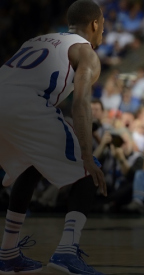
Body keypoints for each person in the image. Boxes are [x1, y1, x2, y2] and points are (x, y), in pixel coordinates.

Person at [0, 0, 107, 274]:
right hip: (24, 105)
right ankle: (66, 255)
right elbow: (81, 103)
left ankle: (8, 252)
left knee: (29, 165)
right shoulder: (85, 51)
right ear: (95, 24)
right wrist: (86, 154)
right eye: (103, 25)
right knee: (88, 172)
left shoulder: (36, 40)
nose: (103, 31)